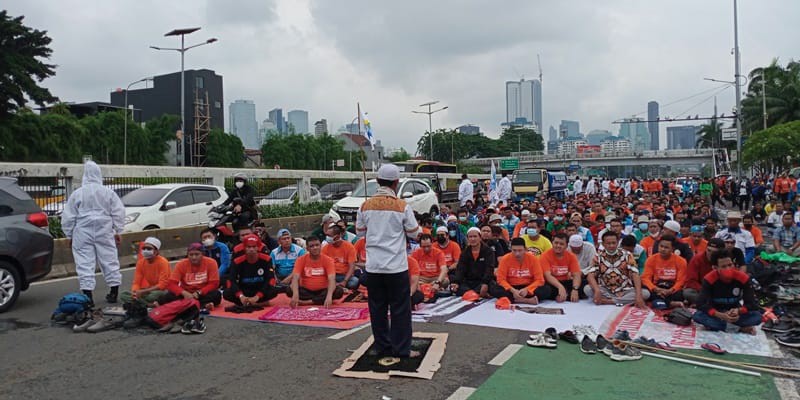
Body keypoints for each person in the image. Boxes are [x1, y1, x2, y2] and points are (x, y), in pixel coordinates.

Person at [355, 163, 422, 358]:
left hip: (374, 266)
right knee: (400, 309)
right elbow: (414, 233)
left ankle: (382, 347)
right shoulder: (402, 206)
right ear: (396, 182)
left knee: (377, 309)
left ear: (377, 181)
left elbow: (359, 232)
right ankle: (402, 350)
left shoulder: (365, 205)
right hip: (396, 266)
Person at [61, 161, 125, 305]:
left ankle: (88, 297)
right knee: (109, 259)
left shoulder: (78, 193)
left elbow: (69, 216)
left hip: (83, 231)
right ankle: (113, 292)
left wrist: (69, 234)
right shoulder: (108, 193)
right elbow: (118, 212)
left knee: (84, 263)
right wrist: (118, 230)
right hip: (104, 230)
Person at [692, 249, 762, 334]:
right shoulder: (709, 279)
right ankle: (738, 328)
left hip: (735, 313)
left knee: (757, 316)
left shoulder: (743, 278)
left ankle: (721, 326)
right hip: (716, 312)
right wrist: (720, 315)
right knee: (698, 316)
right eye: (723, 266)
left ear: (734, 263)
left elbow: (752, 304)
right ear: (715, 268)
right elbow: (701, 304)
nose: (728, 269)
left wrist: (738, 311)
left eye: (730, 265)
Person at [584, 231, 648, 308]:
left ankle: (608, 301)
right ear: (603, 244)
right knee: (587, 289)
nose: (611, 245)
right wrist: (597, 290)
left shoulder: (627, 255)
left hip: (625, 290)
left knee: (646, 294)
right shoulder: (598, 256)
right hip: (606, 289)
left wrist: (638, 295)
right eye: (608, 243)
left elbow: (635, 274)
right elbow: (590, 275)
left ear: (618, 243)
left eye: (614, 243)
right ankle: (622, 300)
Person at [120, 237, 170, 327]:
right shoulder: (141, 263)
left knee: (153, 295)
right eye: (144, 248)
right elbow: (136, 282)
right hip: (148, 290)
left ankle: (140, 304)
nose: (146, 250)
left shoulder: (163, 262)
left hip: (162, 290)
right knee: (123, 295)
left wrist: (143, 292)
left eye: (149, 248)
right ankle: (149, 305)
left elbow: (163, 285)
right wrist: (135, 292)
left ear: (156, 251)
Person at [159, 243, 222, 311]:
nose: (194, 257)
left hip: (202, 293)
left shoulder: (211, 262)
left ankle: (185, 305)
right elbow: (171, 284)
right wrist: (184, 293)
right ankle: (202, 305)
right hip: (186, 293)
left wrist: (199, 292)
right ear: (187, 255)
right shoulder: (181, 264)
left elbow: (214, 283)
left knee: (216, 295)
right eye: (191, 255)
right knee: (168, 296)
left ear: (203, 254)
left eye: (197, 254)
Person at [490, 238, 551, 304]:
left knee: (547, 289)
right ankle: (526, 300)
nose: (517, 254)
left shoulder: (533, 259)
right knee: (494, 289)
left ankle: (515, 299)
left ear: (525, 249)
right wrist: (513, 290)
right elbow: (501, 280)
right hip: (511, 287)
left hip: (528, 287)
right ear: (511, 249)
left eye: (520, 250)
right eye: (514, 250)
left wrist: (527, 290)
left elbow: (540, 280)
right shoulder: (505, 259)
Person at [287, 236, 344, 307]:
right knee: (289, 289)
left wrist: (329, 296)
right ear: (307, 248)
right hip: (306, 291)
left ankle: (307, 302)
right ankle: (318, 300)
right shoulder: (300, 260)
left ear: (320, 246)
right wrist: (295, 295)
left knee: (338, 291)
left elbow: (331, 279)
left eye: (317, 245)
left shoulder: (328, 260)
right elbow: (295, 278)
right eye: (312, 246)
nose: (315, 248)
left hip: (323, 290)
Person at [223, 234, 279, 306]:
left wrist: (258, 296)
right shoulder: (237, 261)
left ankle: (254, 302)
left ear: (258, 247)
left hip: (260, 288)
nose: (251, 249)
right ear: (244, 248)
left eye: (254, 247)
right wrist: (240, 296)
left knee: (273, 290)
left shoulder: (267, 259)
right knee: (227, 293)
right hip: (244, 289)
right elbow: (231, 280)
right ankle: (251, 302)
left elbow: (270, 279)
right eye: (249, 247)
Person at [641, 236, 687, 309]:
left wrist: (670, 290)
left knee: (683, 293)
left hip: (672, 287)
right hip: (657, 286)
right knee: (645, 292)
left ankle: (661, 302)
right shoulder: (651, 259)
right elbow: (646, 278)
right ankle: (670, 303)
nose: (663, 249)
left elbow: (681, 281)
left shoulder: (681, 261)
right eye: (661, 246)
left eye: (666, 247)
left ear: (672, 249)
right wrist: (655, 288)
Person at [450, 228, 495, 297]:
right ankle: (475, 293)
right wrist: (456, 282)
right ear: (467, 239)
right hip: (469, 281)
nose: (473, 239)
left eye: (475, 236)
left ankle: (474, 293)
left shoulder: (488, 251)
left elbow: (489, 268)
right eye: (470, 237)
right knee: (455, 287)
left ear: (480, 238)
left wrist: (485, 283)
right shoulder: (465, 252)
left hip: (483, 281)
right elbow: (460, 269)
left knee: (493, 288)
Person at [540, 233, 582, 302]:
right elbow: (548, 276)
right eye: (556, 243)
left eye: (561, 244)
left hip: (565, 281)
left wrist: (575, 289)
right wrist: (560, 287)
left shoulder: (571, 256)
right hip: (552, 283)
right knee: (544, 290)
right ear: (552, 243)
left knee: (583, 285)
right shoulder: (545, 256)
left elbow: (576, 274)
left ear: (566, 245)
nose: (558, 246)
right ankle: (564, 294)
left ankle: (564, 295)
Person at [683, 238, 724, 305]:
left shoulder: (725, 260)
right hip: (702, 289)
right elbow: (691, 281)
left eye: (714, 252)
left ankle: (704, 303)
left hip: (721, 289)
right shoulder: (697, 259)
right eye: (709, 250)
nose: (710, 254)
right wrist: (706, 290)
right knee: (688, 292)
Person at [321, 224, 359, 290]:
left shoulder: (349, 247)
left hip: (344, 276)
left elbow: (352, 267)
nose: (327, 237)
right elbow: (323, 266)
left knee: (354, 282)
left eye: (329, 236)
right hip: (331, 276)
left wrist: (344, 281)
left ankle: (336, 286)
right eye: (326, 235)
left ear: (337, 237)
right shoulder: (325, 248)